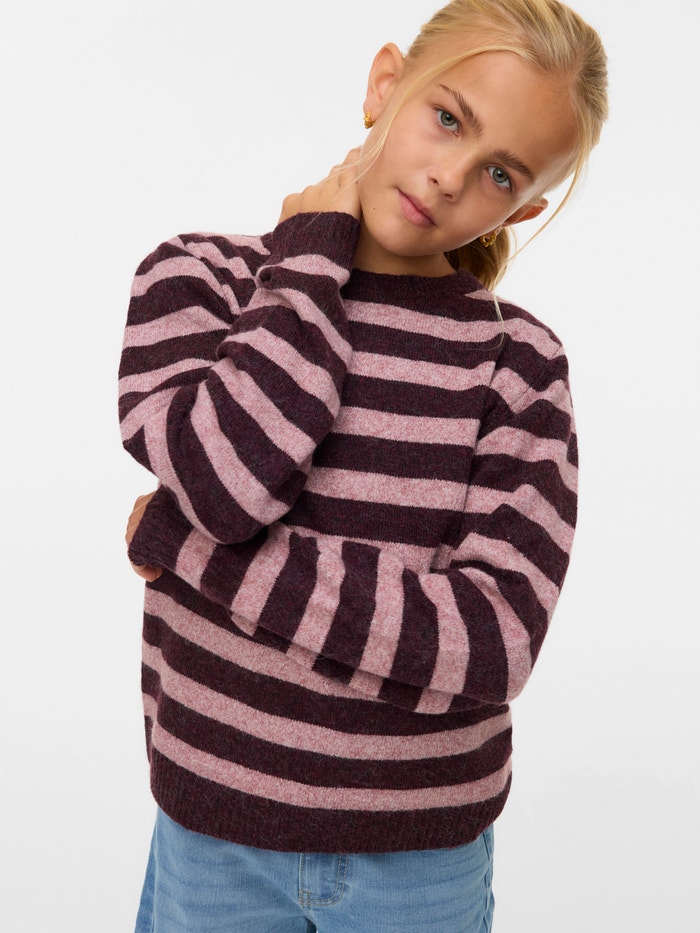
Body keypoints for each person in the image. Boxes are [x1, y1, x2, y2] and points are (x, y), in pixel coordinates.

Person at [120, 1, 608, 929]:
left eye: (499, 173)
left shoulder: (519, 364)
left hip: (421, 862)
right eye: (448, 117)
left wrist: (188, 549)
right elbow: (227, 487)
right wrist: (308, 265)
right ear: (387, 84)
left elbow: (490, 645)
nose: (450, 176)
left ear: (523, 207)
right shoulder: (199, 281)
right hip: (213, 835)